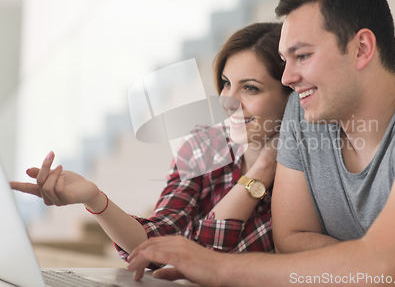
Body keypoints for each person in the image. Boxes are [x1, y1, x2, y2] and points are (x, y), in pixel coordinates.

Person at [125, 0, 395, 287]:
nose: (288, 77)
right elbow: (291, 239)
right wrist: (394, 269)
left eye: (302, 55)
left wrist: (217, 267)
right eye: (286, 59)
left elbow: (385, 262)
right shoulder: (304, 117)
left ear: (362, 49)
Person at [10, 22, 292, 260]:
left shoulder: (306, 173)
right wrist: (94, 198)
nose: (229, 101)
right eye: (227, 83)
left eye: (250, 88)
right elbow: (155, 241)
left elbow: (205, 255)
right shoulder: (205, 146)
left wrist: (266, 167)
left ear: (290, 96)